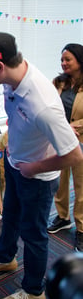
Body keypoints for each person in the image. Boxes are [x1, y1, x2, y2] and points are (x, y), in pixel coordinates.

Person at [0, 32, 83, 299]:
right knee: (11, 216)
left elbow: (75, 154)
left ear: (0, 66)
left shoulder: (43, 105)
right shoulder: (12, 78)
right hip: (16, 162)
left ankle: (33, 291)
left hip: (36, 178)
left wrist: (35, 167)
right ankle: (5, 258)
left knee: (34, 234)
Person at [47, 43, 83, 252]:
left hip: (80, 139)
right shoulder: (59, 83)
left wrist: (73, 126)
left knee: (81, 186)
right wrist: (63, 126)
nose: (63, 63)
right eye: (62, 59)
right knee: (60, 182)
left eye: (68, 59)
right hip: (61, 139)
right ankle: (62, 217)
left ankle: (81, 228)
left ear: (79, 60)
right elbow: (50, 108)